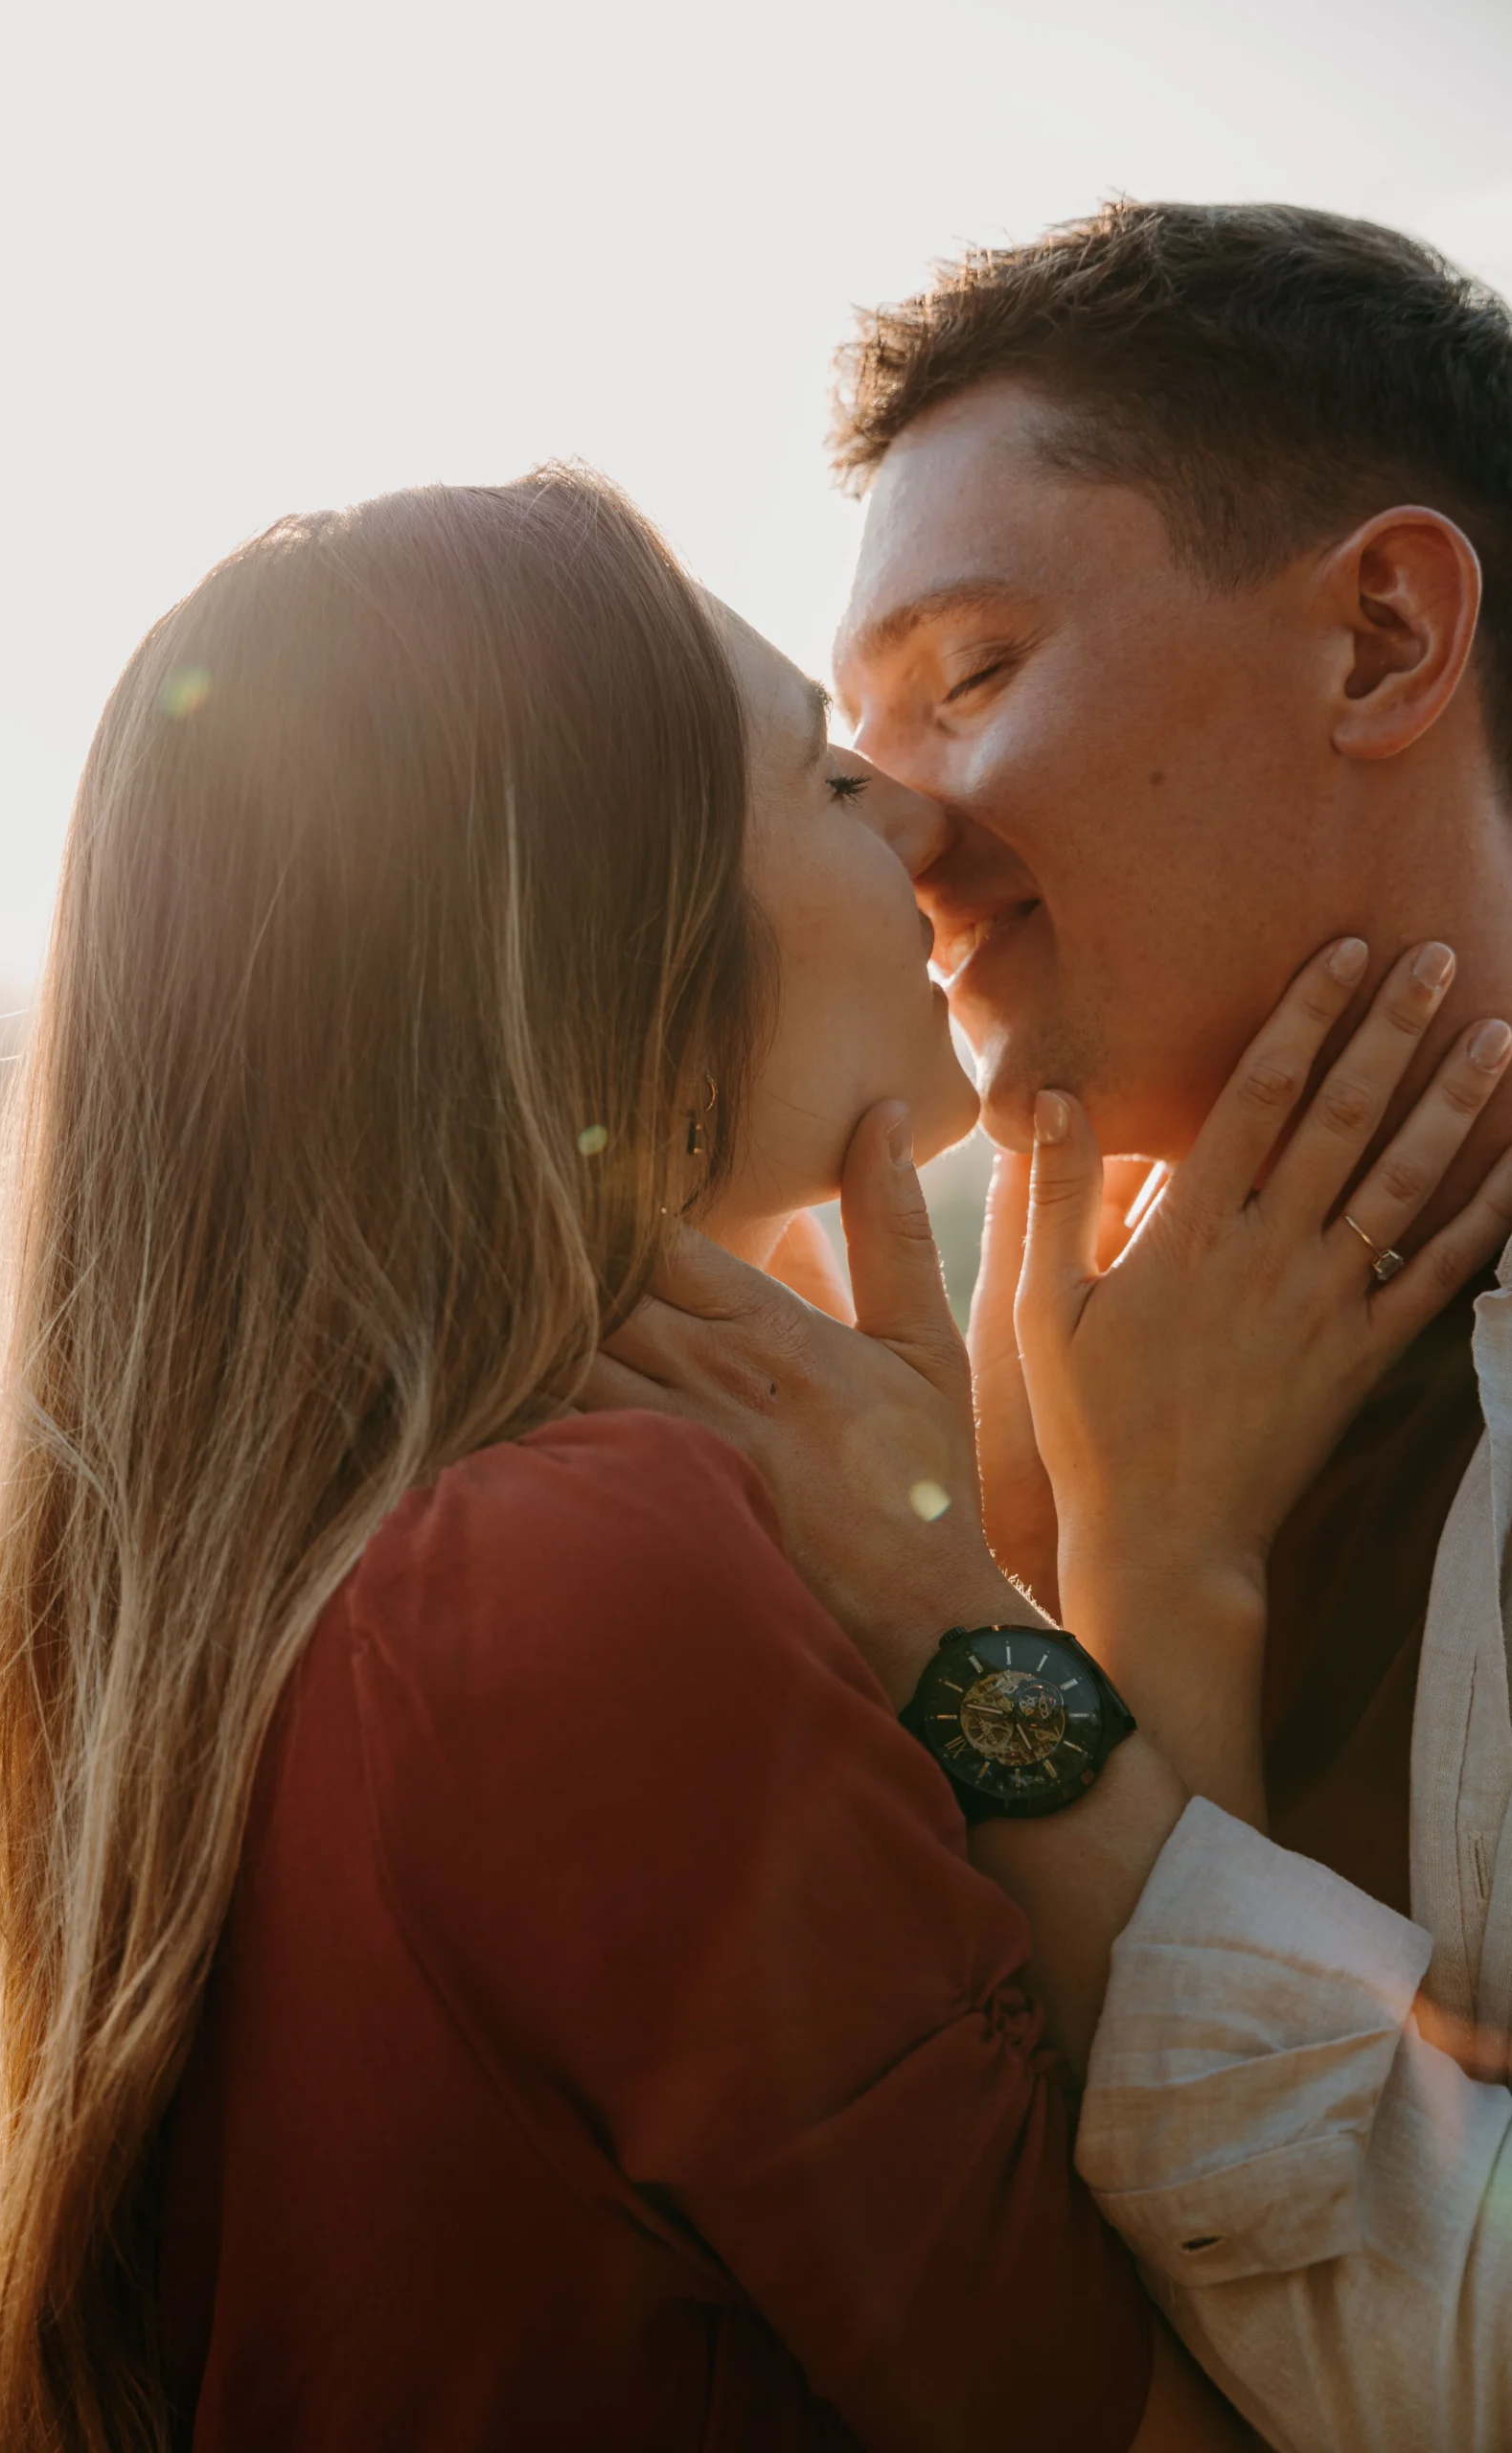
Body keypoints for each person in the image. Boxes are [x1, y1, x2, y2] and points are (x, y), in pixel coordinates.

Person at [0, 468, 1287, 2453]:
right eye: (824, 778)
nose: (927, 818)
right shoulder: (577, 1575)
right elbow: (1201, 2394)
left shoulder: (343, 1570)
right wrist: (1157, 1557)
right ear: (601, 953)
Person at [597, 202, 1512, 2450]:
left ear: (1384, 634)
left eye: (977, 670)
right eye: (851, 744)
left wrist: (986, 1631)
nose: (895, 822)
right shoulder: (934, 1365)